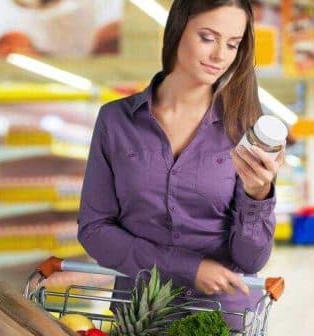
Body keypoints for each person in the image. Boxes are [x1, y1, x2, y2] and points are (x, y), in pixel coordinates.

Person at [77, 0, 284, 330]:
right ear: (175, 31)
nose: (220, 56)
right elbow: (95, 229)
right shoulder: (116, 121)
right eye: (207, 37)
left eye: (232, 44)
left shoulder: (244, 128)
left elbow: (251, 260)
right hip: (140, 318)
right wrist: (189, 268)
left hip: (221, 319)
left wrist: (258, 195)